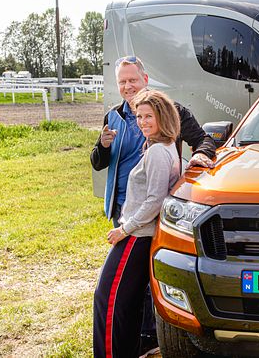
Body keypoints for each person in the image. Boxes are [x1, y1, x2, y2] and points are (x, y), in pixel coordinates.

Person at [90, 56, 216, 357]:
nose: (127, 86)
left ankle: (147, 339)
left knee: (123, 292)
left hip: (140, 218)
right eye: (122, 81)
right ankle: (140, 342)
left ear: (145, 79)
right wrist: (103, 145)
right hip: (125, 206)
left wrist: (198, 158)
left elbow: (203, 141)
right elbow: (97, 162)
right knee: (130, 289)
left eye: (132, 80)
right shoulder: (114, 116)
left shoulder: (170, 117)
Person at [93, 89, 182, 358]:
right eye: (139, 116)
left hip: (137, 237)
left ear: (163, 117)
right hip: (142, 236)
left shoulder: (157, 153)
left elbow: (155, 201)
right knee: (127, 304)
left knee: (108, 302)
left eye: (148, 116)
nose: (142, 122)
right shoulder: (164, 147)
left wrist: (124, 229)